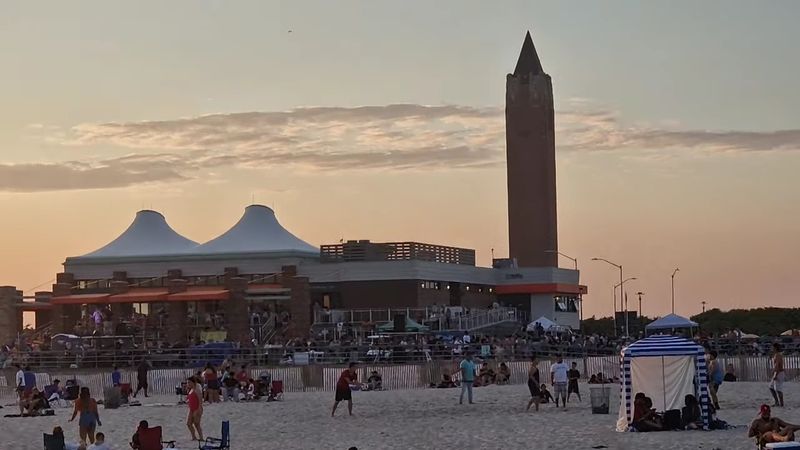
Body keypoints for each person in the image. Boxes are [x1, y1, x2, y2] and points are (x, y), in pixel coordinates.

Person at [186, 377, 204, 442]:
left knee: (197, 424)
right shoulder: (190, 389)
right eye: (187, 382)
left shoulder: (197, 389)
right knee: (188, 423)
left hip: (197, 408)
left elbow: (200, 400)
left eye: (189, 382)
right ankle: (194, 436)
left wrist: (199, 409)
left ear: (193, 382)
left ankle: (201, 438)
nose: (188, 384)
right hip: (191, 408)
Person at [769, 343, 785, 407]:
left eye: (772, 347)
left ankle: (781, 403)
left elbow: (777, 365)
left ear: (775, 348)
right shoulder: (776, 355)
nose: (771, 348)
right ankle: (777, 402)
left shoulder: (778, 355)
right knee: (771, 387)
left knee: (778, 389)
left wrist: (775, 374)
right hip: (778, 372)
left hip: (779, 373)